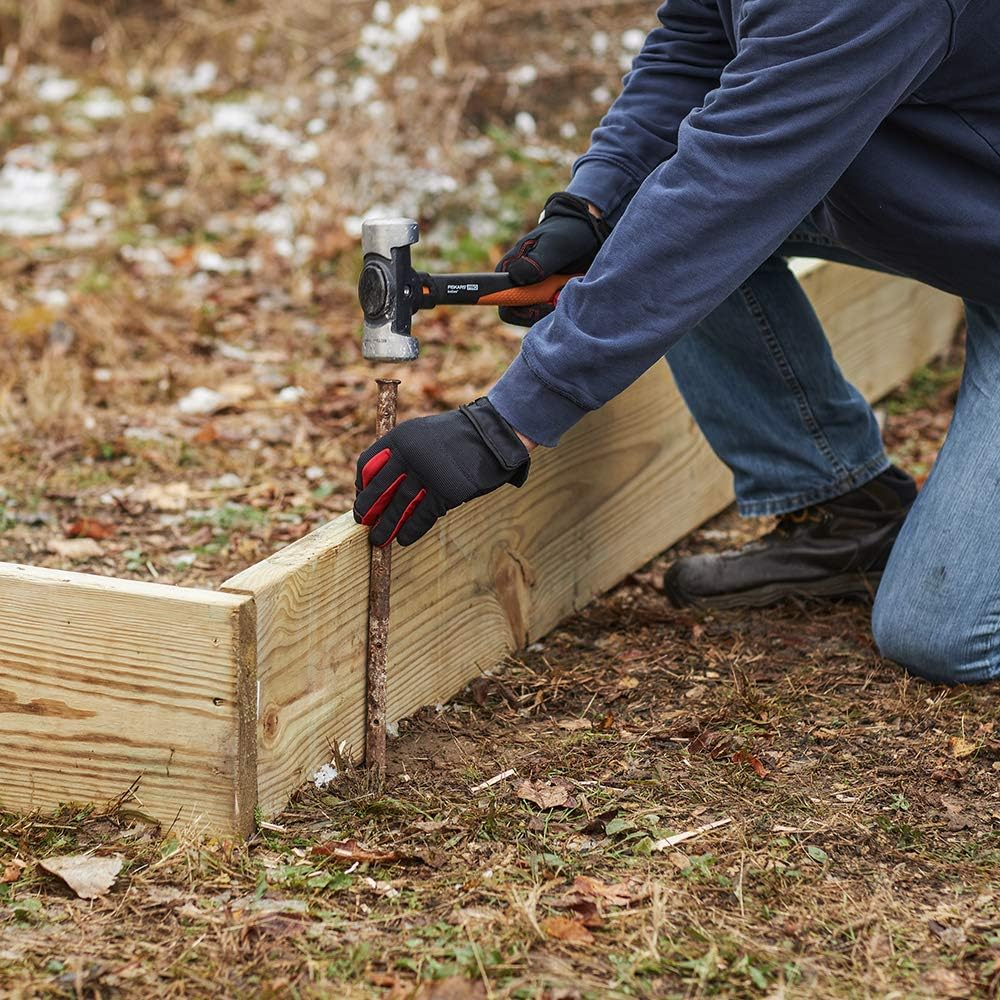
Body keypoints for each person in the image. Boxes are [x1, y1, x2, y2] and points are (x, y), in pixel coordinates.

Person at [354, 0, 1000, 685]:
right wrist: (590, 207)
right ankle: (844, 510)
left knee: (942, 635)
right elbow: (697, 44)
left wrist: (504, 426)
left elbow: (725, 193)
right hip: (963, 207)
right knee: (656, 216)